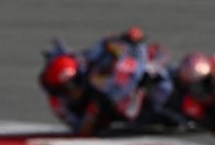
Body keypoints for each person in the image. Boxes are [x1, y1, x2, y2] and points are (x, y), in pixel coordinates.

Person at [39, 27, 174, 135]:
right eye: (65, 89)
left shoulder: (85, 64)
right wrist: (92, 113)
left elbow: (104, 44)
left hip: (121, 81)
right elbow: (81, 130)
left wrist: (125, 39)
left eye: (71, 86)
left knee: (152, 61)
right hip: (111, 113)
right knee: (132, 115)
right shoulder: (59, 103)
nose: (72, 91)